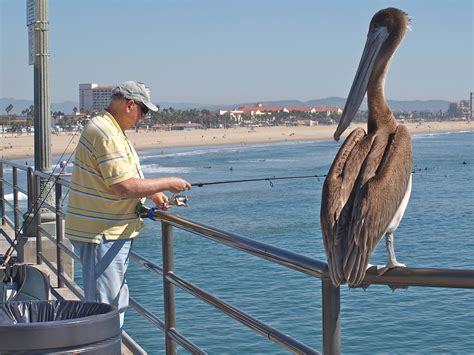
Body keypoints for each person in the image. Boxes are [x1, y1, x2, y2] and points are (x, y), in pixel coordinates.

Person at [65, 81, 191, 326]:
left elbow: (120, 177)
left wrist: (150, 194)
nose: (143, 117)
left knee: (111, 301)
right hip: (102, 233)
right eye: (143, 111)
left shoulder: (108, 127)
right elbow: (123, 187)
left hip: (104, 230)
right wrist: (167, 183)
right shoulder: (106, 133)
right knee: (105, 308)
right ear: (130, 104)